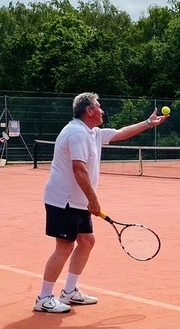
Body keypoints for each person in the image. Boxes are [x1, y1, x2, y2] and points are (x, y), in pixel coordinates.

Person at [34, 93, 168, 313]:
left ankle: (69, 292)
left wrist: (148, 123)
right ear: (88, 111)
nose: (102, 110)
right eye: (99, 106)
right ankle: (44, 297)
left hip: (78, 201)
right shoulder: (76, 133)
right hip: (64, 201)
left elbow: (120, 133)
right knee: (65, 247)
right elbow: (79, 168)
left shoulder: (92, 132)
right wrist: (93, 200)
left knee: (86, 242)